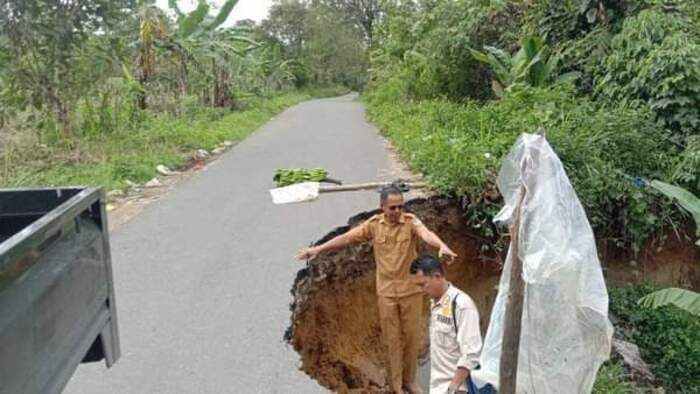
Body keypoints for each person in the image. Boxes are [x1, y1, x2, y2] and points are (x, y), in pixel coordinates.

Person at [296, 185, 458, 394]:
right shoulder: (373, 226)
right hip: (387, 294)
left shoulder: (410, 222)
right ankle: (396, 386)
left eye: (400, 206)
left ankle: (410, 381)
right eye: (392, 208)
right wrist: (316, 249)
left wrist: (441, 246)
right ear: (382, 207)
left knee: (412, 339)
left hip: (411, 292)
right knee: (392, 341)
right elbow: (346, 238)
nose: (397, 211)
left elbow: (426, 234)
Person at [410, 255, 485, 394]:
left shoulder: (462, 305)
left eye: (423, 284)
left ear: (437, 276)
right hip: (438, 388)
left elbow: (471, 353)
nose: (421, 290)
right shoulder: (435, 303)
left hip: (457, 389)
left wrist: (453, 388)